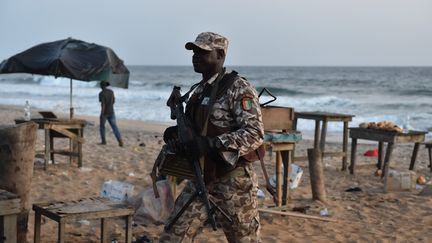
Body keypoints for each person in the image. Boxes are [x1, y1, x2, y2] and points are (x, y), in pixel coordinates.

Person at [160, 32, 264, 242]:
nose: (196, 56)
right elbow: (197, 132)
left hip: (233, 182)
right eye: (194, 52)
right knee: (173, 236)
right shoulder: (198, 91)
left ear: (220, 55)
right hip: (201, 180)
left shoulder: (237, 88)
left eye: (203, 52)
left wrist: (211, 144)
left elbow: (255, 133)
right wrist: (176, 136)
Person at [99, 80, 124, 147]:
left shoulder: (101, 93)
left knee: (102, 127)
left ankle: (103, 141)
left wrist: (102, 114)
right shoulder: (111, 92)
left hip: (105, 113)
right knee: (114, 126)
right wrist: (110, 106)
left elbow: (103, 104)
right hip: (111, 111)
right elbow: (113, 100)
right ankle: (120, 140)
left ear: (101, 86)